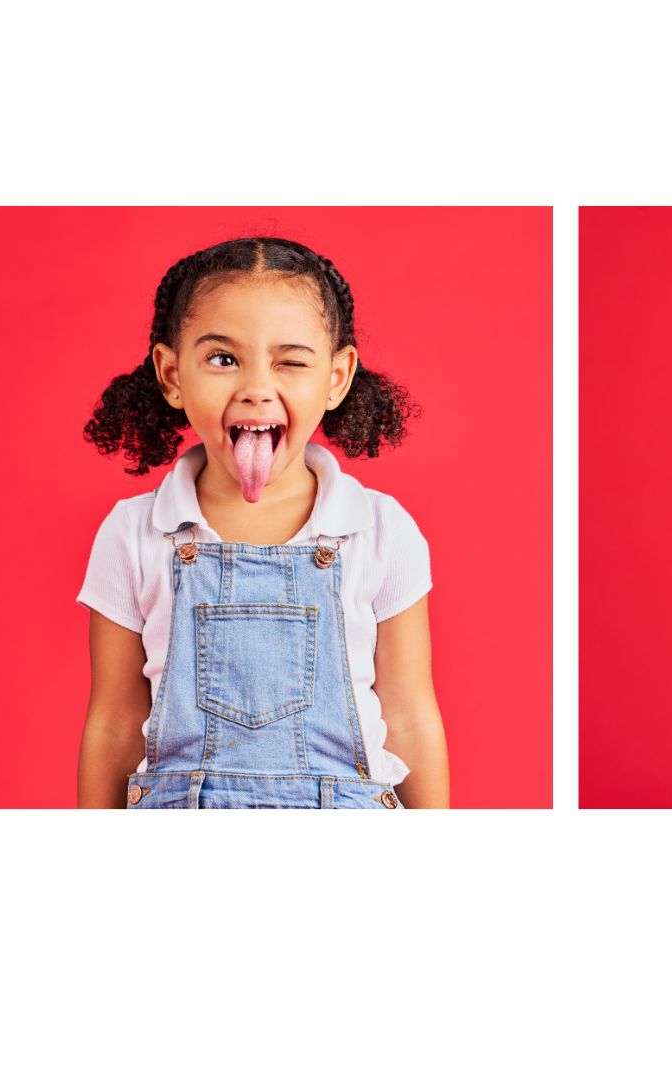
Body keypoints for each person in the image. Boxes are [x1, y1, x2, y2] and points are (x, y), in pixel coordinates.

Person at [76, 236, 447, 809]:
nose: (255, 389)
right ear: (171, 374)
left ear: (337, 376)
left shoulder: (378, 529)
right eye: (223, 359)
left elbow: (410, 716)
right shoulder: (134, 532)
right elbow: (115, 724)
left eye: (290, 362)